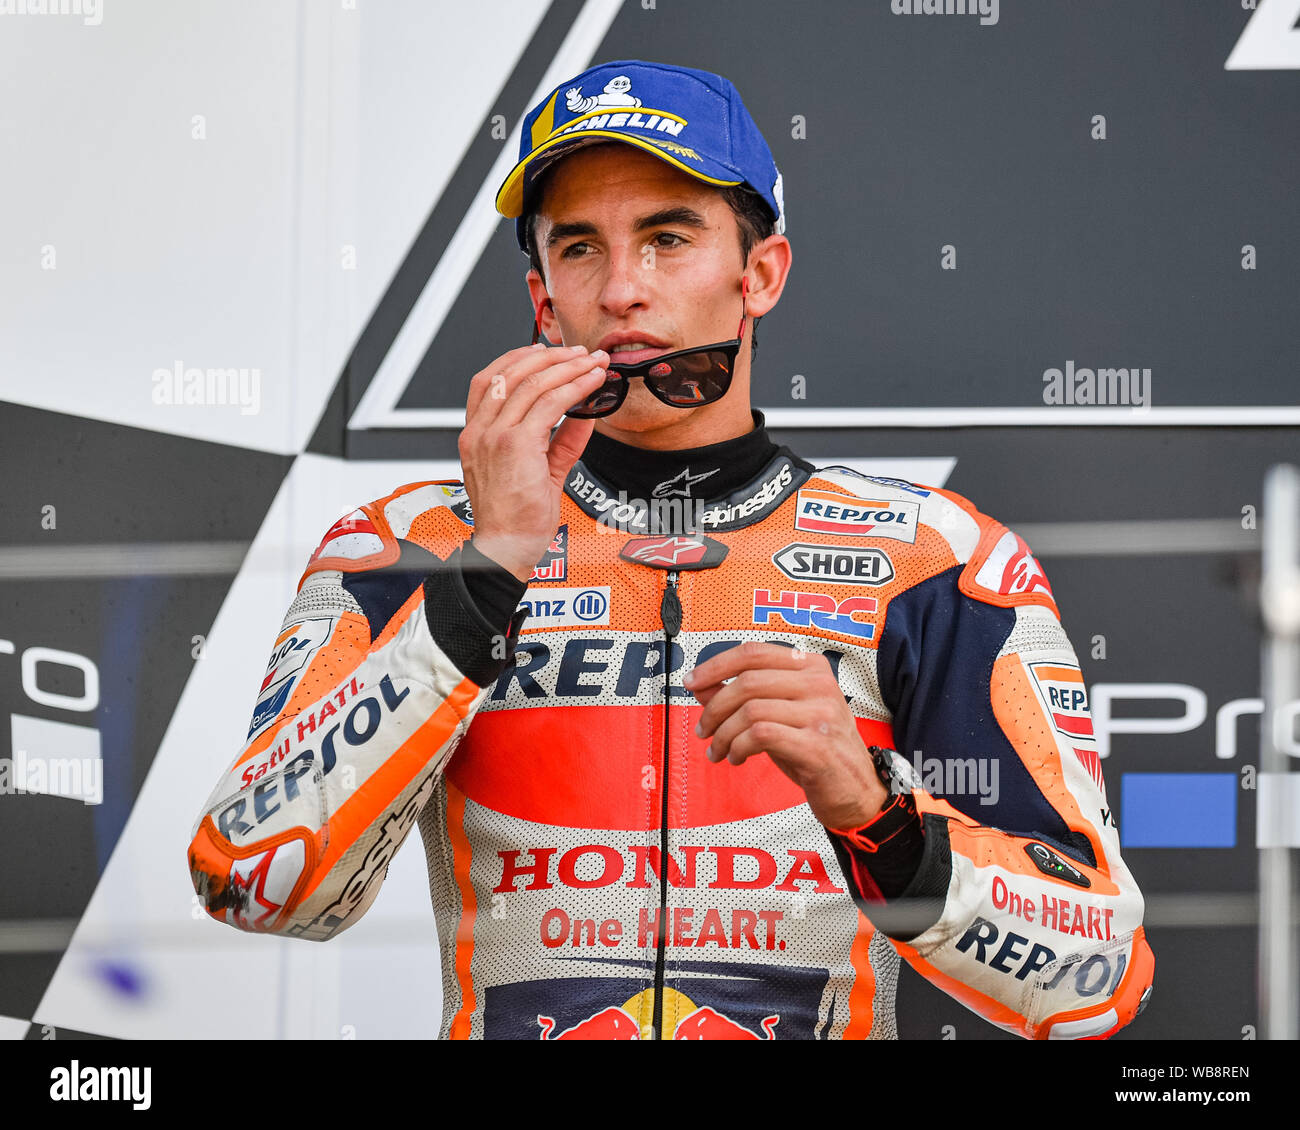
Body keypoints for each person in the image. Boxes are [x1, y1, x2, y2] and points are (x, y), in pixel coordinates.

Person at [187, 59, 1153, 1040]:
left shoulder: (937, 558)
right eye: (579, 248)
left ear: (760, 273)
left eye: (666, 239)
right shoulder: (407, 545)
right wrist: (491, 570)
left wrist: (872, 809)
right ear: (541, 296)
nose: (620, 291)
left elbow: (1096, 979)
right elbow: (256, 880)